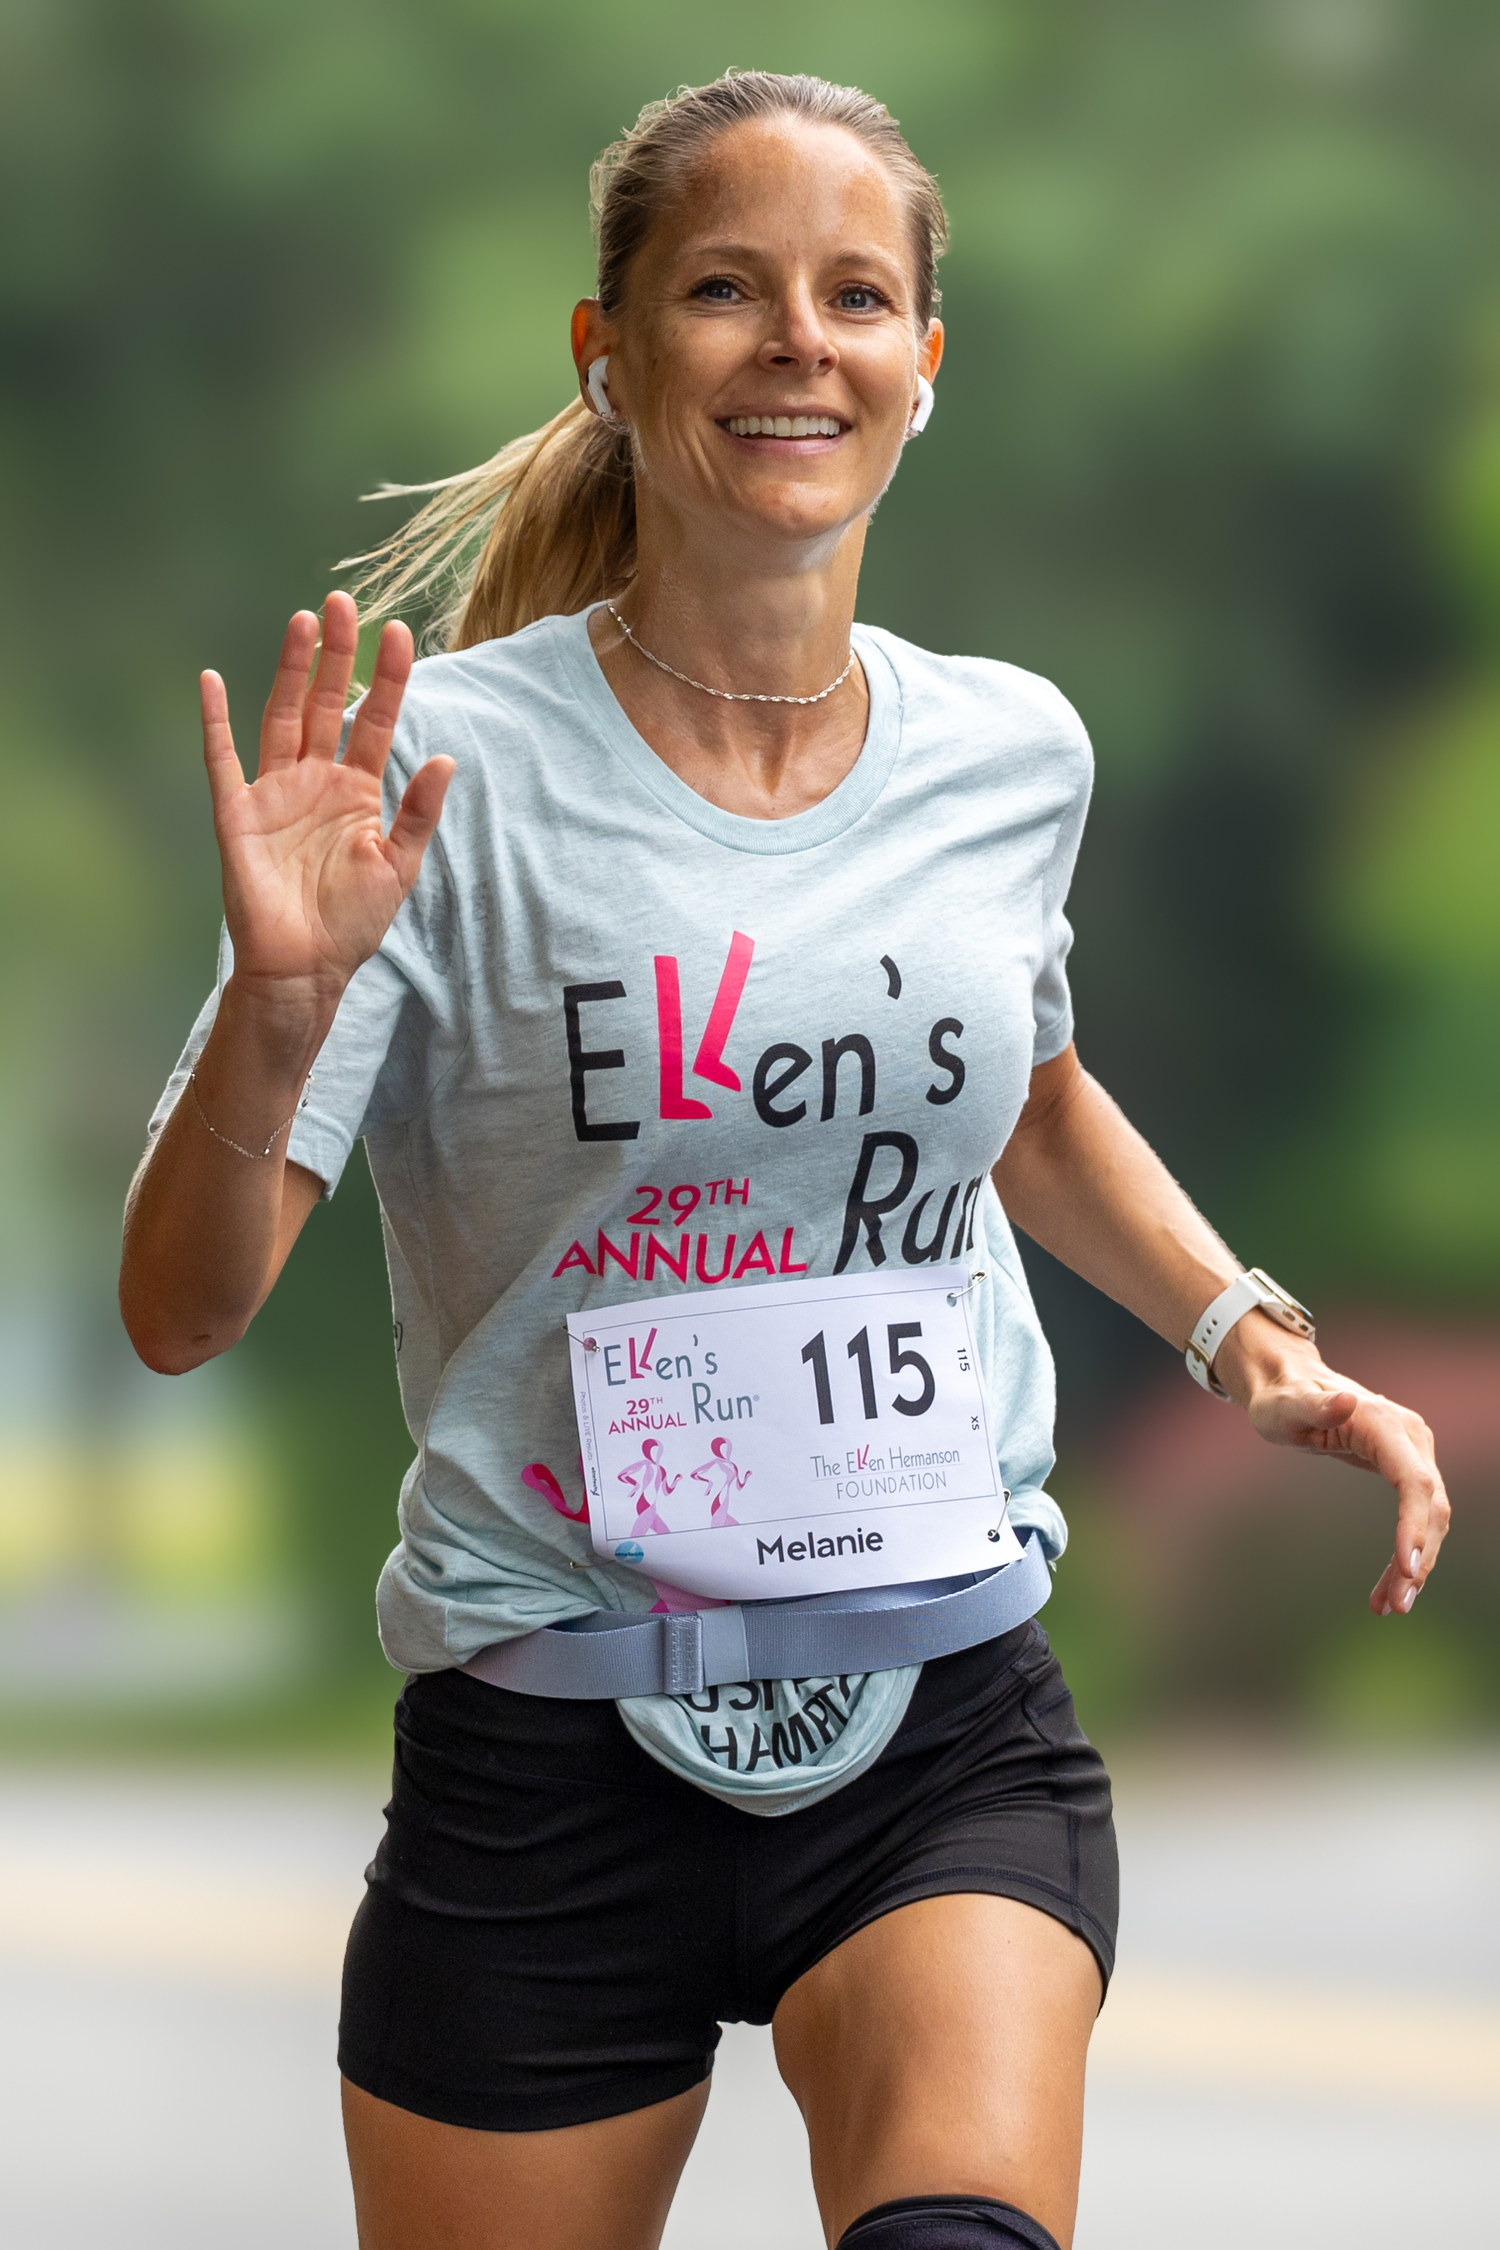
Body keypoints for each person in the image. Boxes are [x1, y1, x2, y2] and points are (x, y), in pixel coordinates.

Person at [119, 69, 1450, 2250]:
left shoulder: (1013, 754)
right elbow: (180, 1316)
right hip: (547, 1737)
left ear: (928, 363)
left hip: (941, 1718)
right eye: (724, 290)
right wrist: (279, 1005)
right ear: (610, 353)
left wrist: (1243, 1331)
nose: (796, 341)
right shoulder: (436, 771)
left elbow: (1024, 1093)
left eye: (856, 296)